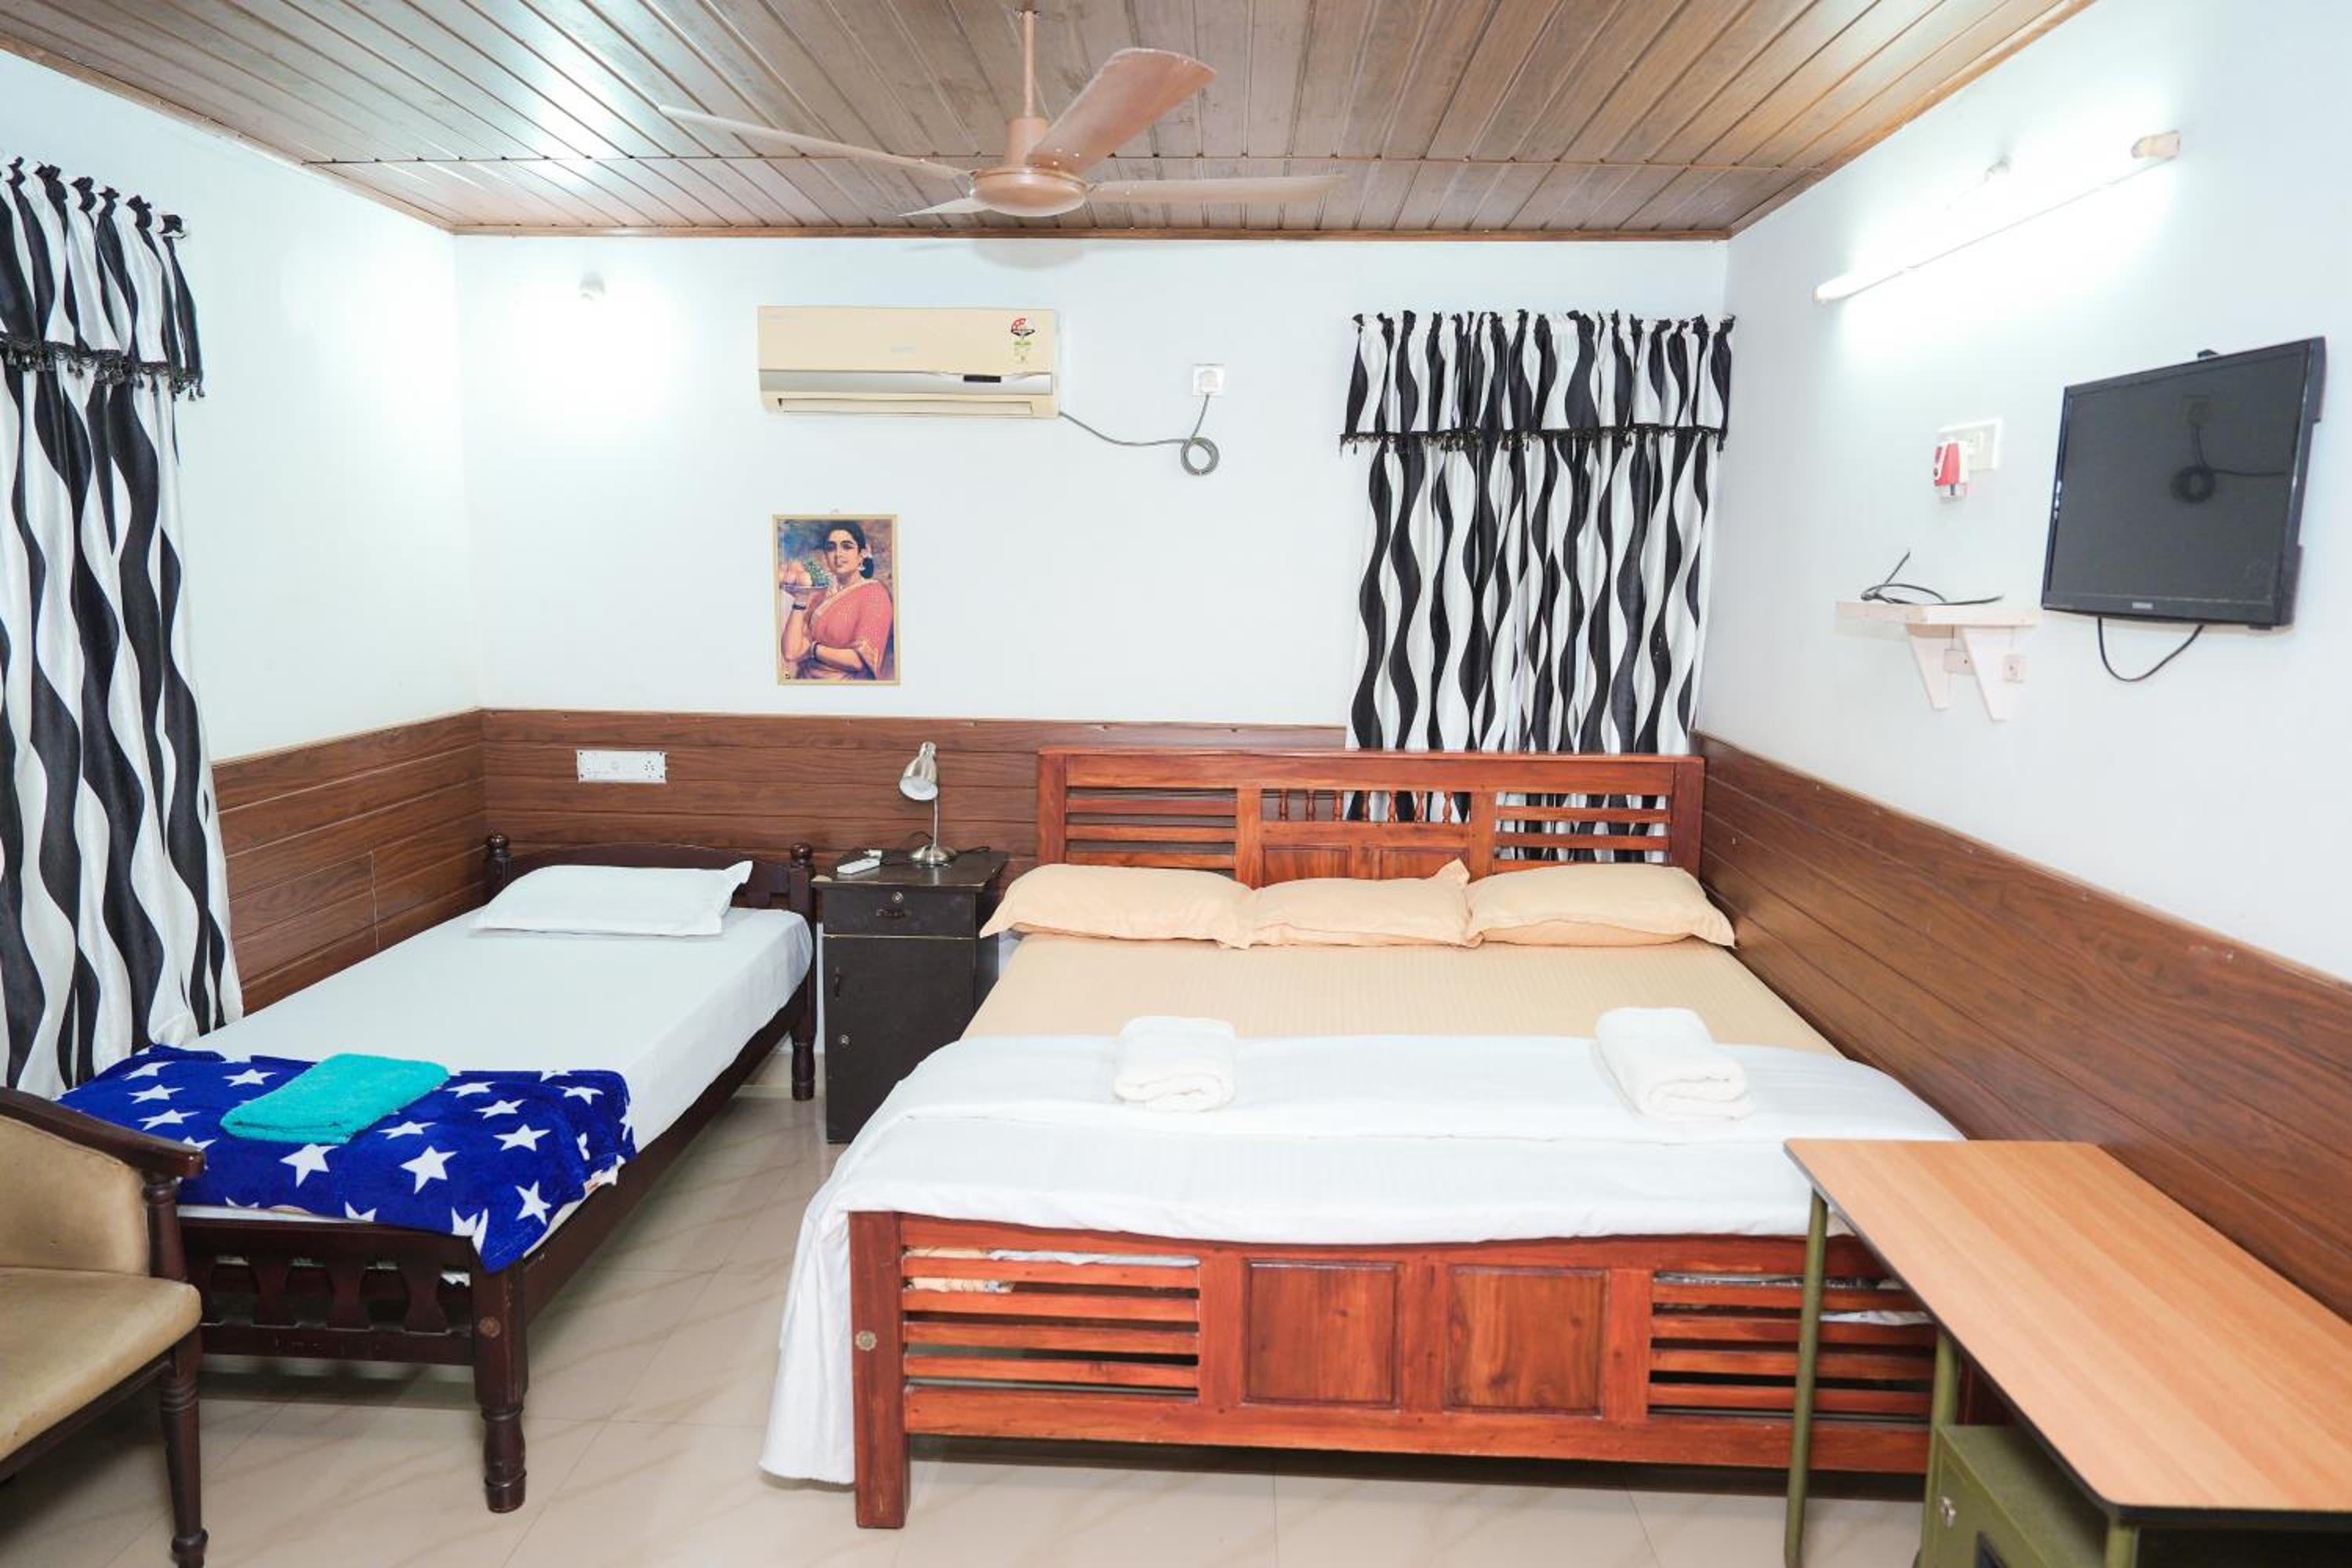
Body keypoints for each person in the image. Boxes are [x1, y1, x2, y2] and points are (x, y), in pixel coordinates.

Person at [780, 521, 895, 681]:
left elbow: (858, 661)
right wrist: (800, 599)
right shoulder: (821, 596)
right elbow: (791, 652)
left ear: (862, 554)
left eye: (847, 547)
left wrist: (813, 650)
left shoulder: (875, 594)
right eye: (831, 548)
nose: (838, 554)